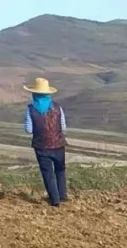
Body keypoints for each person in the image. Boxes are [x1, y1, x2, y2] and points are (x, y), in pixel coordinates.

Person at [23, 77, 68, 208]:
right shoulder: (58, 107)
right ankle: (63, 195)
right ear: (48, 93)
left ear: (34, 94)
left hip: (41, 147)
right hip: (59, 145)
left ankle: (55, 200)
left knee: (47, 172)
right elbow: (63, 127)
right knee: (60, 169)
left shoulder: (31, 109)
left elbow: (28, 129)